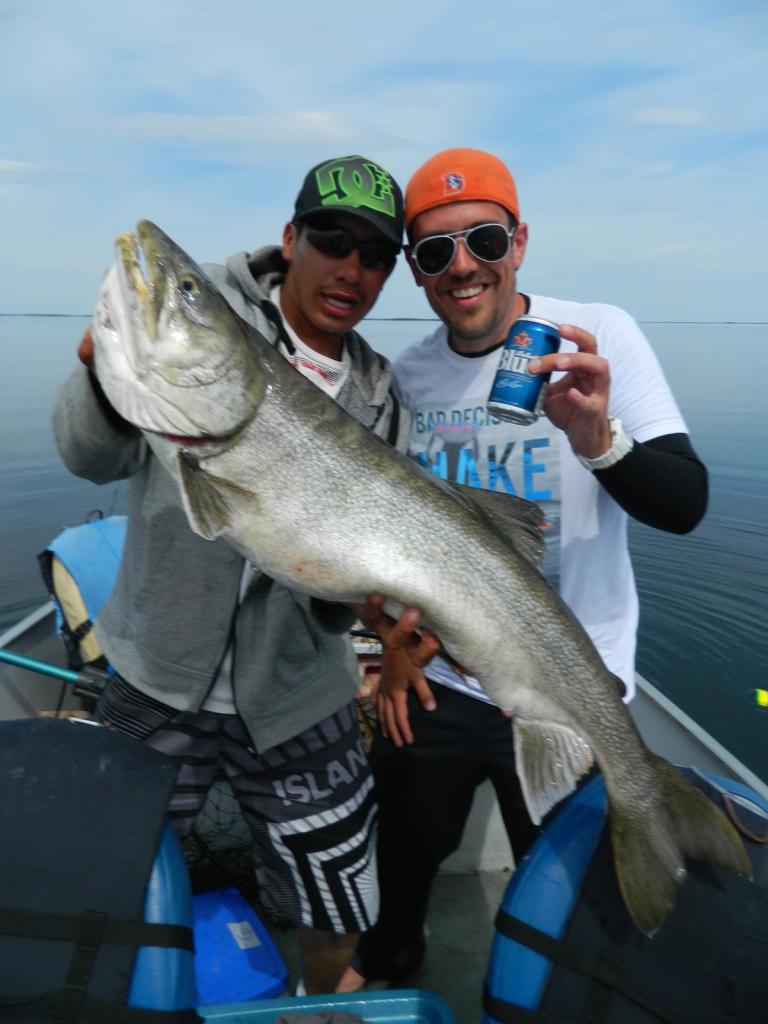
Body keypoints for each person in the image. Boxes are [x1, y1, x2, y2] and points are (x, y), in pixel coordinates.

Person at [340, 147, 709, 989]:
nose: (462, 266)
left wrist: (598, 440)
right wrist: (390, 644)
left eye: (484, 240)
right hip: (445, 681)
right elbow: (386, 537)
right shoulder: (406, 377)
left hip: (573, 688)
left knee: (568, 904)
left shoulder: (597, 334)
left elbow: (684, 503)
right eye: (433, 251)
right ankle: (391, 969)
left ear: (520, 241)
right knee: (401, 869)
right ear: (418, 273)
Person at [52, 154, 412, 996]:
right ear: (291, 239)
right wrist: (104, 378)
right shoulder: (208, 311)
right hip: (154, 675)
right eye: (332, 239)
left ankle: (318, 1005)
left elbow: (340, 608)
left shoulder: (380, 392)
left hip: (299, 696)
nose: (350, 268)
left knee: (339, 906)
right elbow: (85, 453)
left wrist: (368, 604)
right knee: (113, 878)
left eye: (375, 255)